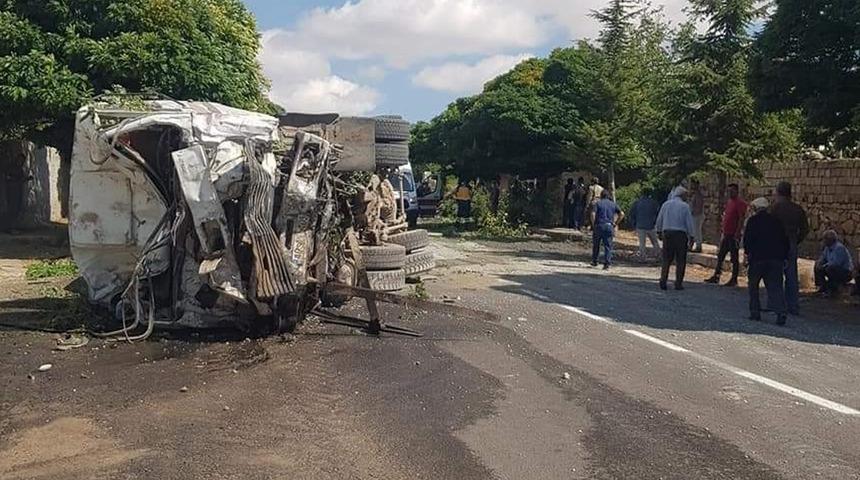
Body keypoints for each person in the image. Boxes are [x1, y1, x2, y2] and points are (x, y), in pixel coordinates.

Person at [743, 197, 789, 325]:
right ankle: (781, 312)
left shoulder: (753, 221)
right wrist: (784, 256)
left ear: (756, 208)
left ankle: (755, 312)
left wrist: (747, 254)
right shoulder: (777, 221)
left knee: (753, 286)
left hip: (757, 259)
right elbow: (785, 241)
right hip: (775, 259)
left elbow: (747, 241)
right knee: (776, 287)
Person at [769, 181, 809, 315]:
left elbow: (768, 226)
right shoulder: (798, 209)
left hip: (776, 243)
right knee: (791, 275)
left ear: (778, 192)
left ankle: (776, 304)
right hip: (791, 242)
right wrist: (796, 240)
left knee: (775, 274)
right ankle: (793, 306)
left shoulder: (774, 208)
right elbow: (805, 229)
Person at [705, 184, 747, 287]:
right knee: (721, 255)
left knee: (734, 257)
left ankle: (734, 278)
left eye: (731, 191)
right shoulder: (729, 202)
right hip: (727, 233)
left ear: (736, 191)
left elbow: (741, 218)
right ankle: (717, 275)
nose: (729, 193)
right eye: (728, 191)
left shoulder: (740, 203)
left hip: (733, 234)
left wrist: (737, 233)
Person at [655, 187, 695, 290]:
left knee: (666, 259)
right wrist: (692, 236)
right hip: (680, 235)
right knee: (680, 260)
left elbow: (660, 219)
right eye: (686, 195)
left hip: (667, 233)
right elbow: (689, 222)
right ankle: (678, 283)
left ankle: (663, 280)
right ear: (682, 195)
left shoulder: (666, 204)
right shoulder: (685, 206)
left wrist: (659, 231)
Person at [590, 189, 624, 270]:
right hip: (609, 226)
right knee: (608, 246)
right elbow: (622, 214)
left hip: (599, 225)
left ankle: (595, 261)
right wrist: (616, 223)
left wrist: (594, 224)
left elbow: (593, 214)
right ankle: (607, 263)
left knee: (596, 244)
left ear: (601, 196)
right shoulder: (613, 204)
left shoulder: (598, 203)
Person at [814, 230, 854, 295]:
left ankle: (832, 288)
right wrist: (819, 263)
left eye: (825, 239)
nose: (823, 241)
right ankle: (822, 286)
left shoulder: (839, 248)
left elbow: (836, 263)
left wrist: (824, 266)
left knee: (830, 268)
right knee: (817, 265)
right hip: (834, 268)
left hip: (846, 272)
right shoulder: (827, 248)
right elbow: (823, 258)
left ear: (830, 240)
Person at [629, 189, 661, 257]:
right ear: (649, 195)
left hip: (640, 225)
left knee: (642, 243)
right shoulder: (653, 202)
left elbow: (632, 213)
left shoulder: (637, 203)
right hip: (651, 225)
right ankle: (658, 254)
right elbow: (657, 213)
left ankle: (643, 256)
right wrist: (655, 222)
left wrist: (634, 224)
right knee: (655, 242)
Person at [689, 180, 705, 253]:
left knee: (697, 231)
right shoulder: (695, 194)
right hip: (695, 215)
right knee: (694, 231)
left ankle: (698, 246)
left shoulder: (698, 195)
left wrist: (694, 213)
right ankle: (693, 245)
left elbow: (699, 206)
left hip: (697, 216)